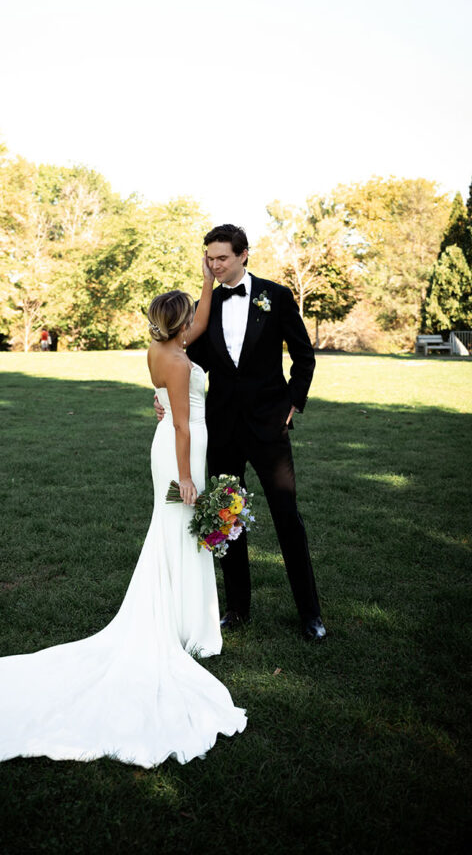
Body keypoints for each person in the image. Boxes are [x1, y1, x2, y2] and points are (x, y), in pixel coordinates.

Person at [0, 256, 246, 768]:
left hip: (176, 445)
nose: (195, 324)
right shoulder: (178, 361)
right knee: (179, 528)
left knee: (177, 534)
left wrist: (205, 280)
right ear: (180, 327)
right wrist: (188, 480)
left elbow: (191, 341)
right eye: (190, 318)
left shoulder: (162, 348)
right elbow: (180, 425)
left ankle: (189, 626)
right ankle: (186, 628)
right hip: (181, 452)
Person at [156, 224, 326, 642]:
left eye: (222, 258)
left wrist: (292, 405)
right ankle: (237, 609)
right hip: (222, 429)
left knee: (288, 518)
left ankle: (311, 615)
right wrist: (159, 397)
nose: (215, 265)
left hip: (269, 428)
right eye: (209, 258)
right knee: (227, 518)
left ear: (244, 254)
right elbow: (182, 361)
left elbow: (304, 357)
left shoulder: (277, 296)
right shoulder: (202, 307)